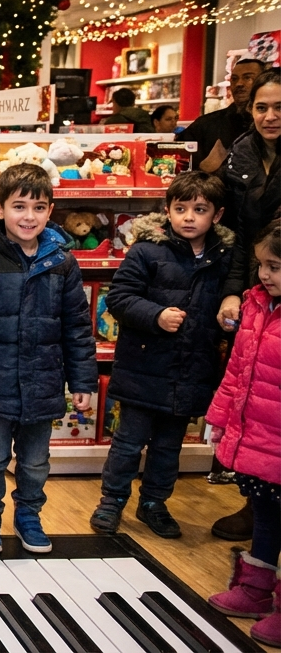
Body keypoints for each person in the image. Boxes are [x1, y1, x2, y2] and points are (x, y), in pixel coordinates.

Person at [0, 163, 97, 554]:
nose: (29, 216)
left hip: (43, 382)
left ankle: (29, 516)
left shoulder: (63, 263)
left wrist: (83, 380)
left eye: (39, 208)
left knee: (35, 461)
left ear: (50, 211)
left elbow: (77, 327)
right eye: (19, 206)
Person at [89, 172, 234, 538]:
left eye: (199, 210)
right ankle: (111, 501)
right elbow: (119, 298)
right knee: (127, 443)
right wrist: (155, 315)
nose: (189, 217)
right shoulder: (146, 251)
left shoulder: (223, 257)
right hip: (143, 367)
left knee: (169, 447)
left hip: (191, 371)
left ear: (216, 215)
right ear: (167, 210)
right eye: (180, 208)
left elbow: (225, 301)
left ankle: (154, 502)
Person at [204, 218, 281, 648]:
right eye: (261, 266)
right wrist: (219, 417)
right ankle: (255, 589)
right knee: (264, 515)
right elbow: (237, 370)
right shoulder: (255, 305)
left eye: (274, 267)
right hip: (259, 439)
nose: (264, 275)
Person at [215, 68, 281, 540]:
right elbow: (240, 235)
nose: (270, 116)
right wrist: (234, 289)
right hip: (262, 277)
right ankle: (257, 503)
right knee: (256, 392)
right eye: (262, 107)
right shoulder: (242, 156)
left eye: (279, 107)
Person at [183, 57, 265, 172]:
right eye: (234, 79)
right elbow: (178, 167)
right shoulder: (205, 125)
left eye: (248, 78)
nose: (239, 84)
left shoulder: (273, 123)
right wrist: (204, 170)